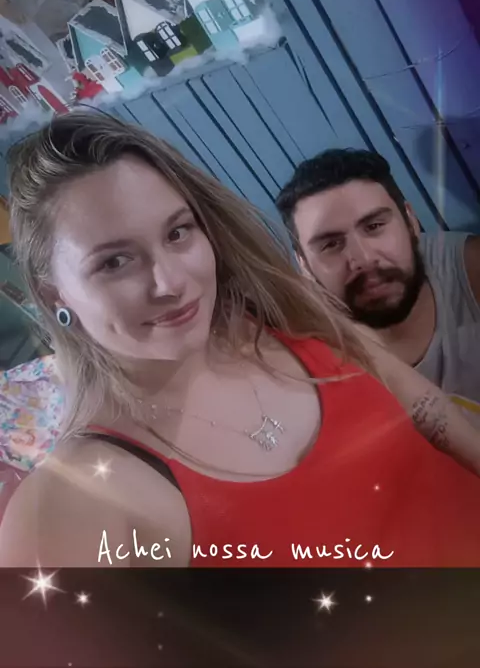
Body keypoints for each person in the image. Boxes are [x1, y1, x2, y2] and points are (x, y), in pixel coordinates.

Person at [0, 111, 480, 570]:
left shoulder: (285, 316)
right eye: (114, 262)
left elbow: (431, 413)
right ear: (55, 293)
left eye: (177, 233)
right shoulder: (78, 501)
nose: (170, 282)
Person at [276, 149, 480, 425]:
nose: (363, 258)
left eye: (374, 226)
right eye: (331, 244)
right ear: (303, 264)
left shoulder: (471, 270)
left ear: (410, 221)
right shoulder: (309, 350)